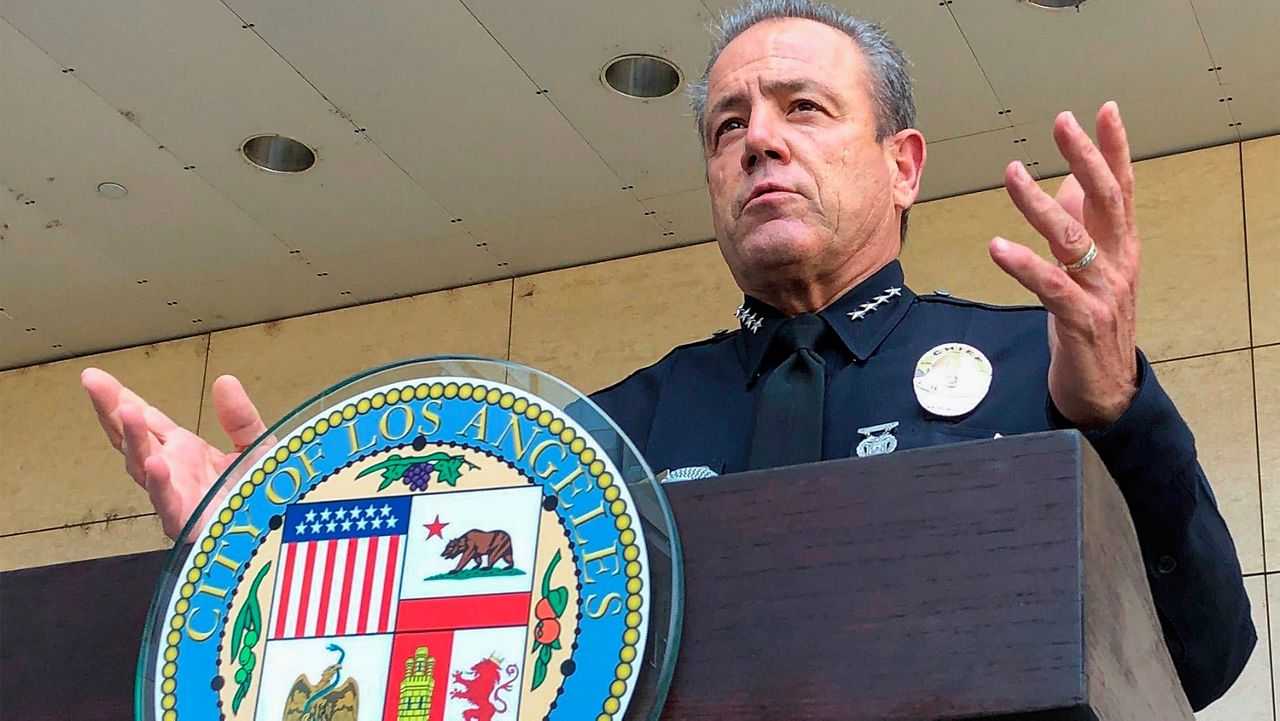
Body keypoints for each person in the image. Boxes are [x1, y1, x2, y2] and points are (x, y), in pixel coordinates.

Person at [80, 0, 1253, 710]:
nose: (758, 146)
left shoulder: (1031, 362)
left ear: (901, 164)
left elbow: (1203, 653)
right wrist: (253, 544)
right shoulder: (599, 437)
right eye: (727, 126)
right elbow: (442, 641)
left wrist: (1112, 408)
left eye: (802, 109)